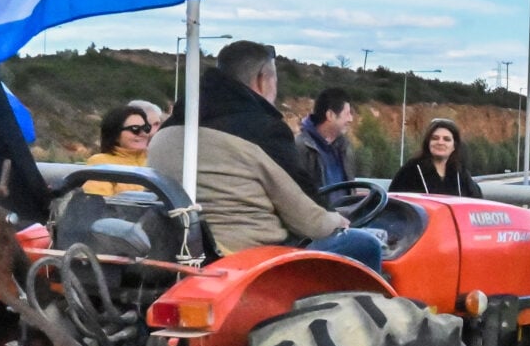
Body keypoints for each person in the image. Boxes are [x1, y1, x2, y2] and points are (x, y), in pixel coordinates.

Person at [146, 41, 381, 271]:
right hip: (248, 258)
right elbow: (310, 220)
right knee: (365, 244)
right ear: (262, 79)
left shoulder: (167, 130)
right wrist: (338, 221)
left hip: (180, 254)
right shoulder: (262, 132)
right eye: (275, 80)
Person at [389, 119, 483, 197]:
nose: (440, 142)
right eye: (435, 138)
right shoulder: (411, 170)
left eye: (446, 139)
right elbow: (395, 202)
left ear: (454, 146)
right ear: (428, 143)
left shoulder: (460, 173)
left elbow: (477, 202)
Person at [81, 103, 157, 197]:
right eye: (135, 129)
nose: (143, 133)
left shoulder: (156, 160)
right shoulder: (102, 162)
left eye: (146, 128)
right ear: (115, 135)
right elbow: (97, 199)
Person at [297, 88, 356, 190]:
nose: (351, 119)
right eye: (347, 114)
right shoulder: (301, 148)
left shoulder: (345, 147)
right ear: (330, 115)